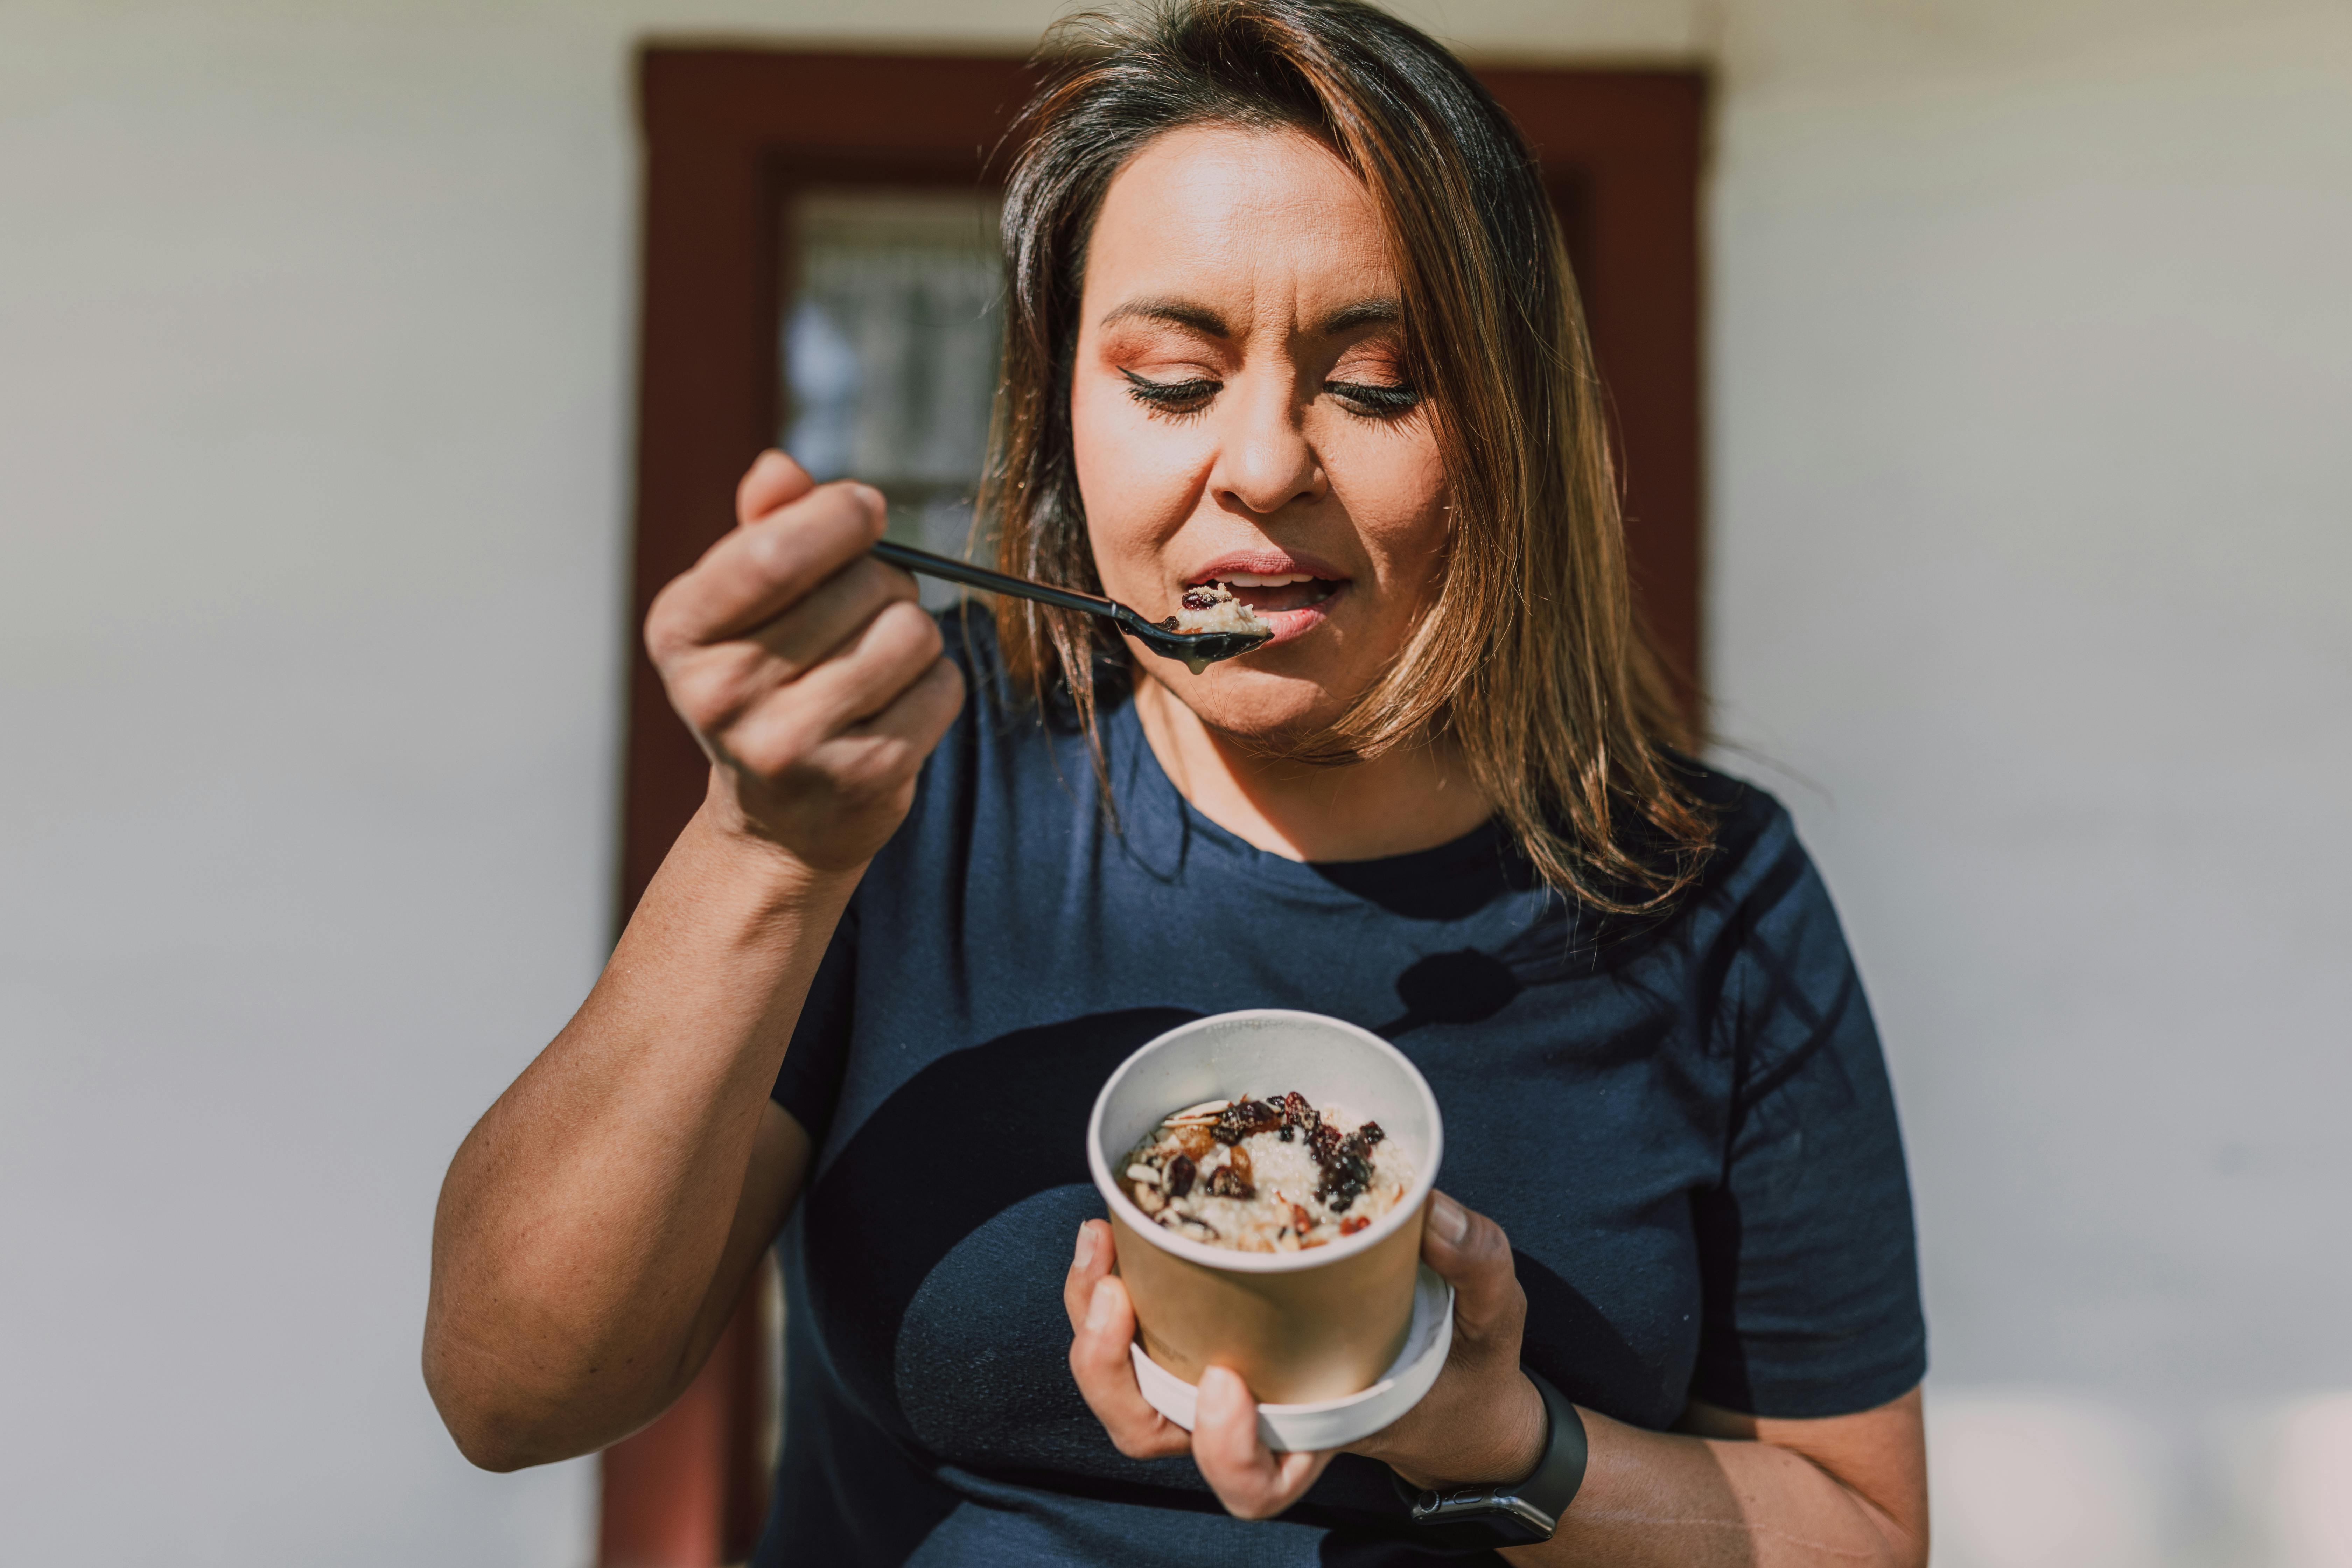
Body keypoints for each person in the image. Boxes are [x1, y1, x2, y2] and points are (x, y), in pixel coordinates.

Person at [423, 1, 1930, 1562]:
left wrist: (1505, 1439)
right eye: (1169, 378)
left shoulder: (1711, 893)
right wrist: (763, 853)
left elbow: (1860, 1533)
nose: (1265, 462)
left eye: (1378, 380)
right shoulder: (905, 774)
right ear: (1064, 408)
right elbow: (509, 1393)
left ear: (1509, 434)